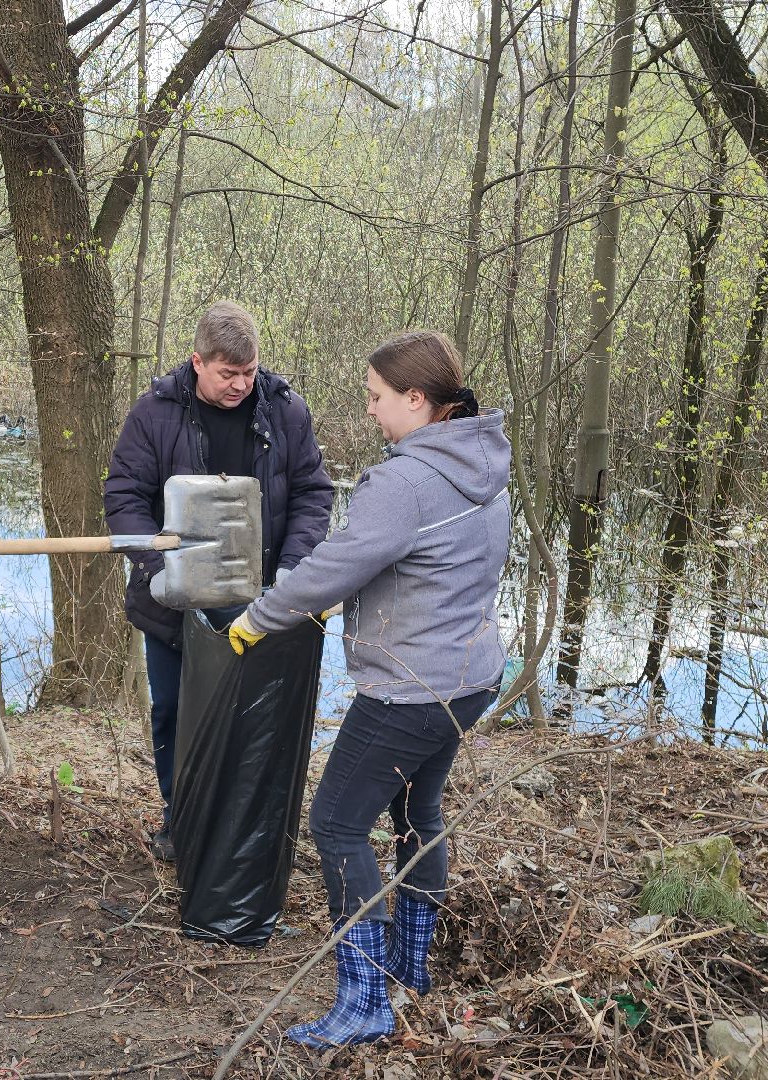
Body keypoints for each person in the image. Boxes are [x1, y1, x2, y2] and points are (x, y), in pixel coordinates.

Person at [227, 330, 510, 1046]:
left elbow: (341, 562)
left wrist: (260, 617)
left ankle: (364, 1004)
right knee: (419, 811)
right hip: (470, 677)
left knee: (337, 824)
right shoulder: (482, 460)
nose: (372, 412)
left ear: (418, 400)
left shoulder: (406, 480)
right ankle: (410, 968)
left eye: (377, 399)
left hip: (411, 688)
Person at [105, 300, 335, 862]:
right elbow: (123, 497)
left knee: (257, 717)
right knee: (176, 714)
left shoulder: (285, 412)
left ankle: (252, 833)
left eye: (249, 372)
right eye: (227, 374)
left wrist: (292, 571)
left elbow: (313, 493)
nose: (239, 385)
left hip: (262, 598)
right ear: (198, 362)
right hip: (173, 605)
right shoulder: (154, 415)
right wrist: (161, 573)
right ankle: (181, 823)